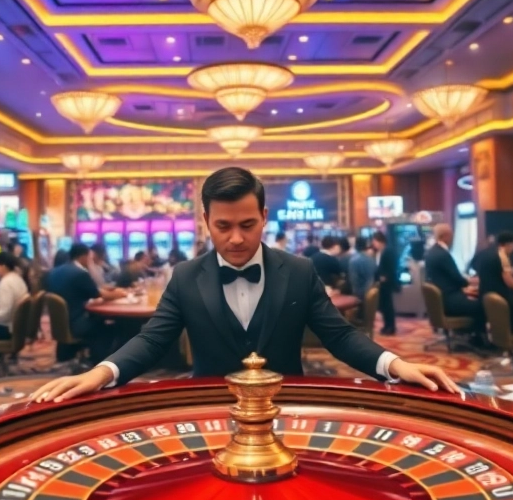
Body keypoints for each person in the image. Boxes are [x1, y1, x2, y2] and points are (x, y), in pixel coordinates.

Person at [33, 167, 462, 402]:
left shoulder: (297, 269)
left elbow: (341, 336)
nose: (235, 238)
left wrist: (396, 365)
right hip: (209, 405)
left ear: (264, 218)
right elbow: (151, 341)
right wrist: (102, 373)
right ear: (205, 222)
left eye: (247, 224)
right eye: (222, 226)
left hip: (287, 403)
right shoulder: (186, 276)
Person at [44, 244, 127, 361]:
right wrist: (120, 294)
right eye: (88, 257)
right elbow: (98, 295)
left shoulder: (55, 271)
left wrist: (108, 290)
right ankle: (101, 361)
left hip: (61, 323)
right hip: (77, 323)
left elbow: (91, 290)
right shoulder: (80, 273)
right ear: (83, 257)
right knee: (111, 326)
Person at [424, 224, 486, 340]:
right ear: (446, 236)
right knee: (481, 306)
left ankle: (466, 335)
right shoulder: (443, 255)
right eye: (452, 235)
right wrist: (471, 283)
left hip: (442, 299)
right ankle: (478, 340)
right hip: (449, 300)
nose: (453, 239)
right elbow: (457, 279)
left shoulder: (432, 252)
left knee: (473, 301)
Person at [471, 229, 513, 329]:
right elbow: (509, 282)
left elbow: (475, 268)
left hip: (484, 295)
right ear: (509, 244)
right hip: (501, 298)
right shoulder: (502, 256)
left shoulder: (483, 253)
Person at [372, 230, 400, 335]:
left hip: (387, 283)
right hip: (383, 282)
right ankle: (386, 325)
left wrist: (385, 277)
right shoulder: (381, 252)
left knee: (388, 306)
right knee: (384, 306)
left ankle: (390, 327)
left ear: (380, 241)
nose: (373, 244)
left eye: (374, 241)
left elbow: (391, 267)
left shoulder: (388, 251)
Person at [348, 236, 377, 300]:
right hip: (372, 292)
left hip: (360, 294)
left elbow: (354, 281)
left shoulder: (353, 260)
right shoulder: (371, 259)